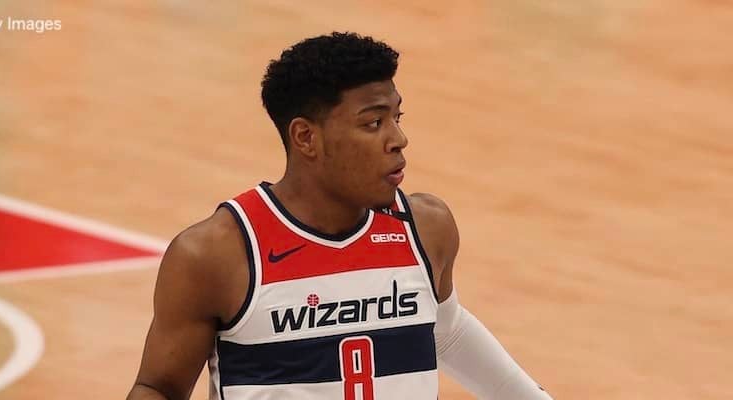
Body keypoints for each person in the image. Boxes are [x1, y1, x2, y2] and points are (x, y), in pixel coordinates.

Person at [127, 32, 553, 400]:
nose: (399, 139)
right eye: (373, 123)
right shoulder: (216, 255)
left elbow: (448, 331)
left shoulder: (426, 228)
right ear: (305, 137)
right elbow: (159, 388)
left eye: (397, 117)